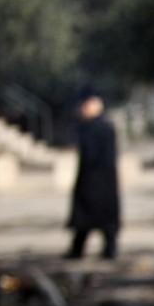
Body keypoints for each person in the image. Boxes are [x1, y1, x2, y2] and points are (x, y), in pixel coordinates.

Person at [65, 87, 121, 260]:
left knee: (102, 221)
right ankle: (78, 250)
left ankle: (108, 250)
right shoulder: (90, 127)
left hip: (99, 180)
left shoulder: (101, 128)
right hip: (92, 180)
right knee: (85, 221)